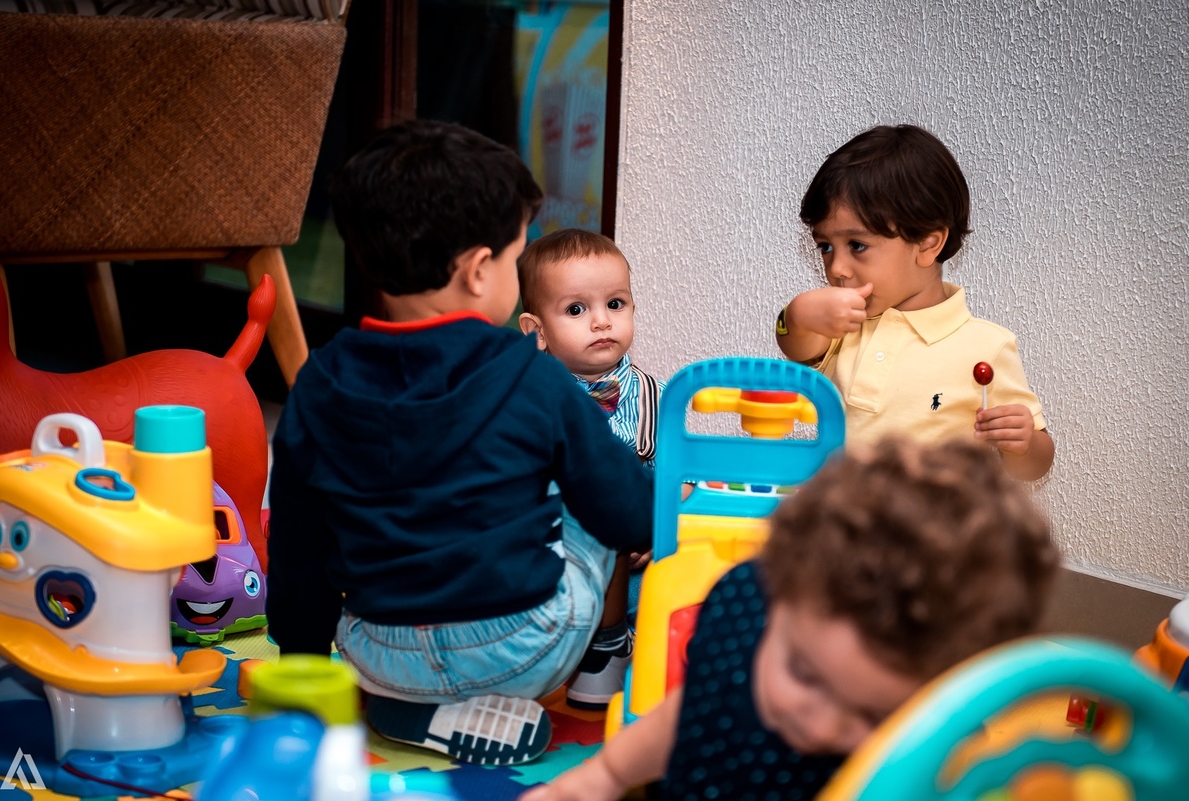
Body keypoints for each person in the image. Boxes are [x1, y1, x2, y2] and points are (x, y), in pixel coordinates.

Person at [265, 119, 655, 767]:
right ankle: (602, 663)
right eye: (513, 259)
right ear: (478, 271)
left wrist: (301, 666)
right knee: (594, 488)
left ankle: (407, 703)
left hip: (377, 651)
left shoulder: (320, 381)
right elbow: (627, 513)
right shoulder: (535, 376)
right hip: (522, 648)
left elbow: (297, 541)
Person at [520, 437, 1060, 801]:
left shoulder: (935, 763)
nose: (820, 726)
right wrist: (602, 776)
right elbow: (693, 714)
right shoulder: (745, 607)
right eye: (803, 672)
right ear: (777, 595)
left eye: (874, 717)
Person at [775, 124, 1055, 481]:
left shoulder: (986, 347)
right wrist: (799, 314)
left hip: (933, 518)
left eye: (857, 245)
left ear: (927, 244)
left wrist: (1024, 443)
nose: (837, 268)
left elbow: (1033, 468)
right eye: (825, 247)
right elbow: (795, 344)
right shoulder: (843, 325)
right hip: (840, 513)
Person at [516, 228, 663, 706]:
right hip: (554, 557)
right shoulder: (527, 402)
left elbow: (673, 477)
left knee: (672, 586)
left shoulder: (654, 397)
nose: (601, 321)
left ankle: (613, 646)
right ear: (536, 332)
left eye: (615, 304)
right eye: (577, 310)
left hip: (630, 562)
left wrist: (657, 529)